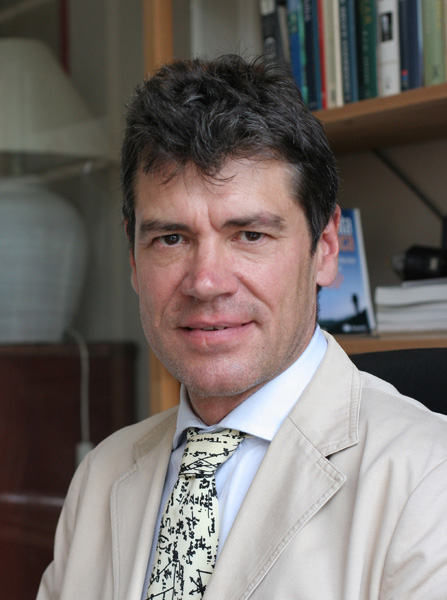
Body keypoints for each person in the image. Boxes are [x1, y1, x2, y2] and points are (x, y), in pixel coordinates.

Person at [37, 55, 447, 600]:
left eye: (250, 235)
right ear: (134, 259)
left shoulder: (429, 479)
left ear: (325, 248)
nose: (206, 283)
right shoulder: (100, 476)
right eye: (170, 239)